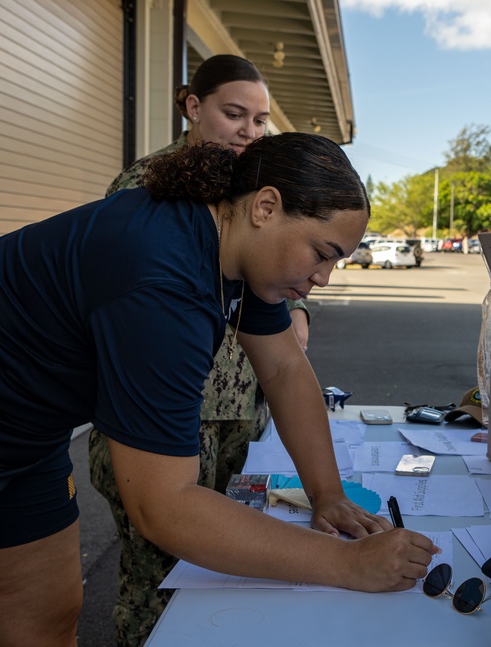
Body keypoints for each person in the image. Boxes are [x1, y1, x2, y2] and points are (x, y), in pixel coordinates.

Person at [0, 133, 439, 646]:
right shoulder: (162, 279)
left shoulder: (233, 250)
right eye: (322, 253)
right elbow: (163, 505)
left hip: (29, 443)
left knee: (47, 616)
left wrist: (329, 494)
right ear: (266, 207)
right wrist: (346, 562)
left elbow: (284, 370)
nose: (323, 278)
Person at [86, 54, 312, 646]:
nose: (249, 130)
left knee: (230, 565)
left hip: (240, 402)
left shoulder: (253, 187)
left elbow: (272, 281)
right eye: (234, 114)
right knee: (160, 576)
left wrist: (298, 307)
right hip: (168, 412)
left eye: (260, 120)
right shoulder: (147, 187)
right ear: (193, 107)